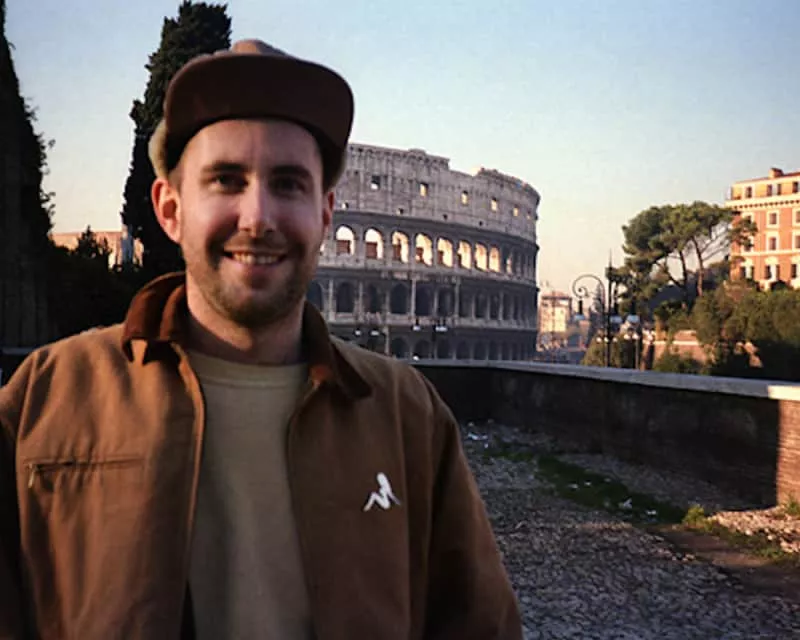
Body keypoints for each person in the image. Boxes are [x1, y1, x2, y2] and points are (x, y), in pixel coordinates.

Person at [0, 39, 522, 639]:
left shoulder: (408, 416)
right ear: (170, 209)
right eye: (226, 180)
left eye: (289, 183)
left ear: (325, 214)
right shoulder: (44, 400)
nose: (257, 218)